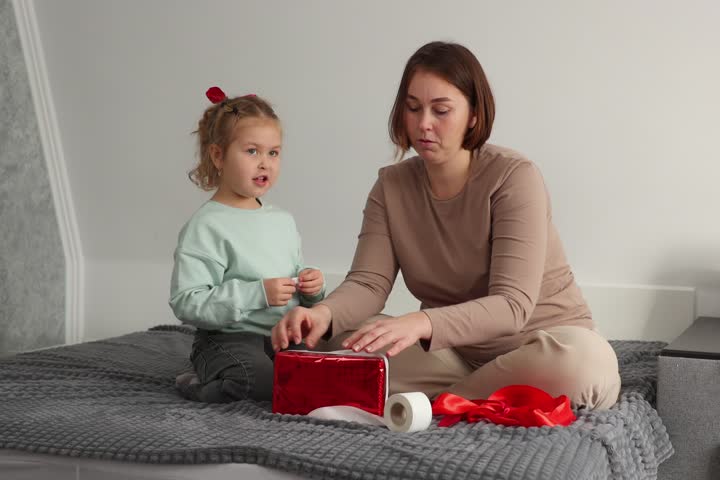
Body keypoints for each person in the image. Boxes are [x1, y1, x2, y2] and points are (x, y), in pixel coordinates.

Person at [272, 42, 620, 410]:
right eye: (413, 108)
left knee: (586, 366)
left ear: (473, 115)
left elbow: (512, 305)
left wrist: (421, 322)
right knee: (346, 336)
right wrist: (321, 315)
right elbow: (368, 283)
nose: (424, 123)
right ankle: (476, 395)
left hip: (539, 348)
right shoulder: (390, 186)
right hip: (450, 355)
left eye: (441, 110)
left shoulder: (514, 177)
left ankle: (444, 399)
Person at [169, 87, 325, 403]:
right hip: (227, 338)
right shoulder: (207, 226)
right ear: (218, 155)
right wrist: (258, 292)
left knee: (321, 371)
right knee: (259, 379)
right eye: (252, 151)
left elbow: (296, 284)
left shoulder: (283, 220)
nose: (264, 163)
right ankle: (199, 384)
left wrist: (312, 289)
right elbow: (187, 302)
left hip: (282, 333)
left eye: (273, 152)